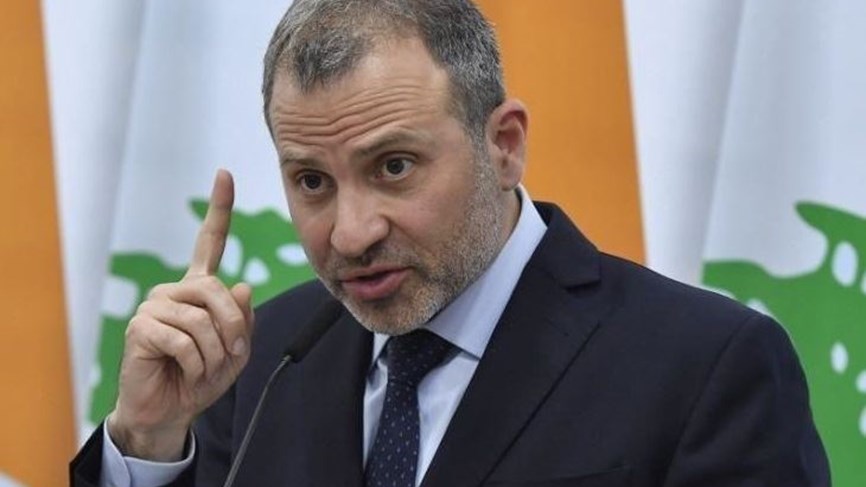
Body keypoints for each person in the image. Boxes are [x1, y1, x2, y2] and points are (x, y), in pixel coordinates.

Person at [71, 0, 830, 485]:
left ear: (504, 145)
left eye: (394, 167)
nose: (352, 232)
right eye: (312, 181)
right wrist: (149, 440)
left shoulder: (706, 366)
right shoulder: (257, 361)